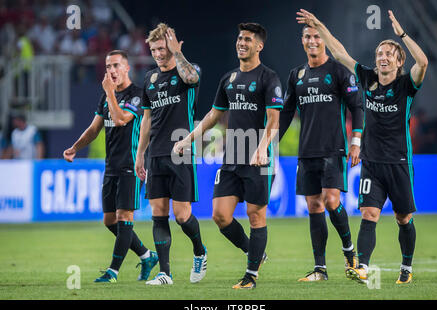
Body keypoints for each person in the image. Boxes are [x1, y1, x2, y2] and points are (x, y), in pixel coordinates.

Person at [296, 9, 428, 284]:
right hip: (372, 163)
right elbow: (340, 53)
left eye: (388, 54)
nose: (382, 57)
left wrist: (401, 35)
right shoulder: (367, 78)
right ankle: (363, 267)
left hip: (400, 162)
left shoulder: (407, 85)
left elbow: (424, 62)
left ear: (399, 61)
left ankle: (406, 267)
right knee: (369, 214)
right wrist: (319, 26)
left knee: (403, 218)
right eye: (379, 53)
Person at [174, 22, 283, 289]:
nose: (241, 43)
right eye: (239, 38)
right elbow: (214, 115)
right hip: (231, 159)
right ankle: (254, 253)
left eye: (247, 39)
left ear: (259, 45)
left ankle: (251, 276)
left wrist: (261, 147)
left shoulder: (269, 78)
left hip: (258, 160)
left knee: (257, 216)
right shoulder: (229, 78)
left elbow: (274, 120)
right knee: (220, 215)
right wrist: (188, 139)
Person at [63, 50, 158, 283]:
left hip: (131, 166)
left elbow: (120, 119)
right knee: (109, 220)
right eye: (108, 67)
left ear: (127, 68)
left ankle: (112, 272)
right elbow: (95, 128)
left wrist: (109, 93)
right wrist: (75, 147)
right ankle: (147, 255)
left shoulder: (138, 95)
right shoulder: (106, 96)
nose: (111, 71)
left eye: (116, 65)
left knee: (124, 216)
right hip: (111, 167)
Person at [279, 23, 364, 281]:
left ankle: (349, 251)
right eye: (307, 37)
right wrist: (271, 143)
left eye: (316, 36)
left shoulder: (338, 71)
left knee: (331, 200)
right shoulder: (296, 75)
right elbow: (285, 113)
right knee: (313, 205)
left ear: (324, 40)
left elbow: (357, 107)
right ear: (302, 41)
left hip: (333, 148)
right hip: (307, 152)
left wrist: (356, 142)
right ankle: (320, 269)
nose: (312, 40)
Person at [135, 23, 207, 286]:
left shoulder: (188, 70)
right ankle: (165, 273)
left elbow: (192, 79)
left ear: (172, 46)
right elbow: (146, 120)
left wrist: (178, 54)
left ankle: (200, 251)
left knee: (182, 215)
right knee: (158, 213)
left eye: (161, 48)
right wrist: (140, 153)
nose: (157, 53)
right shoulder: (149, 80)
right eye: (153, 49)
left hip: (181, 152)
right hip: (155, 153)